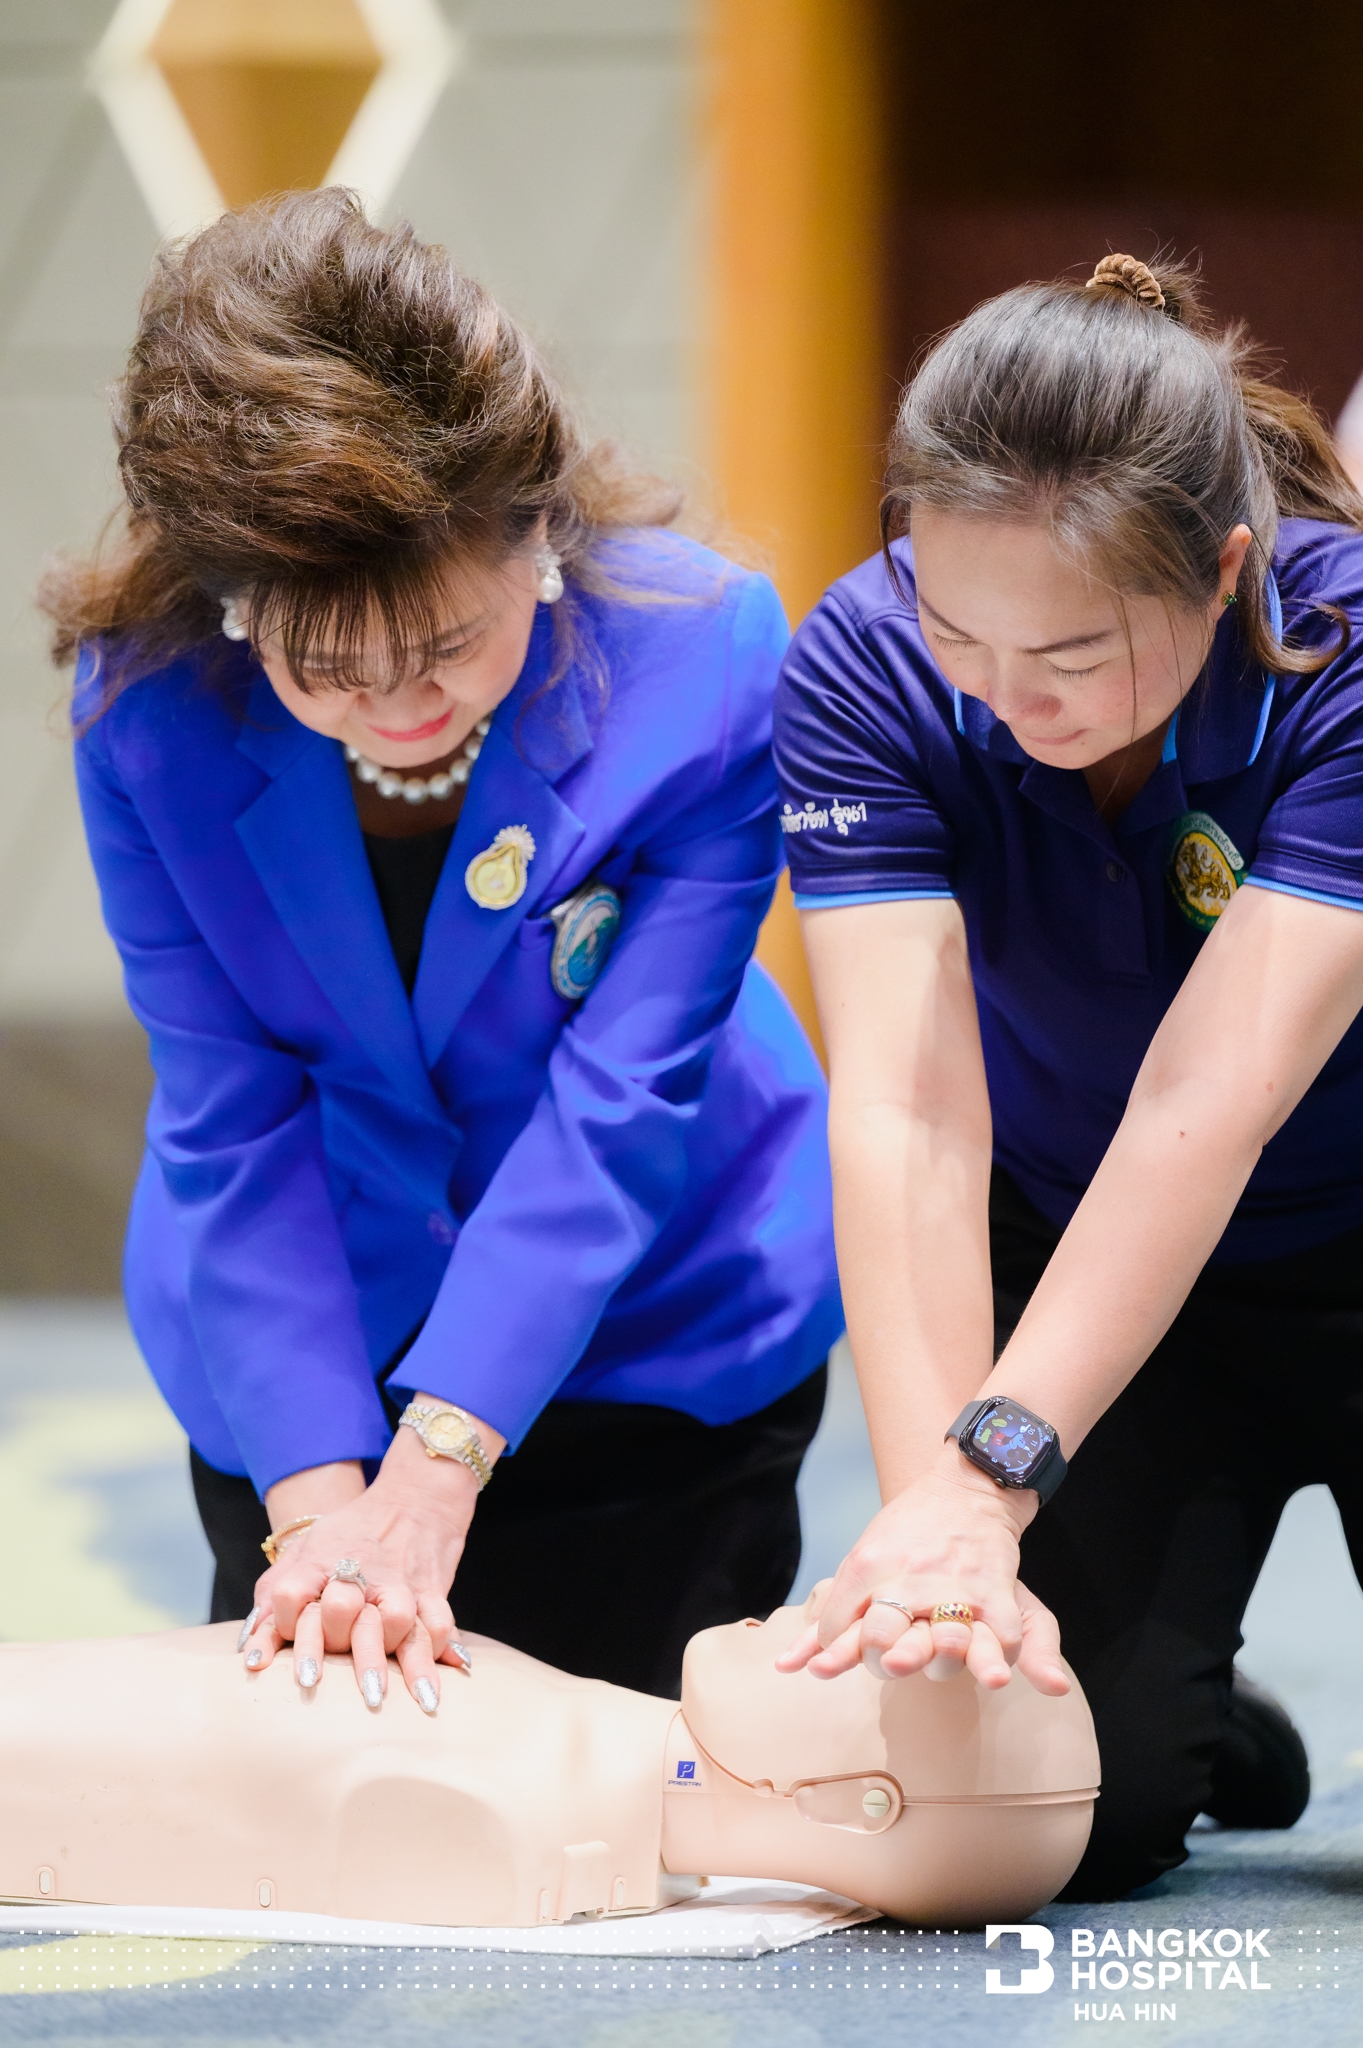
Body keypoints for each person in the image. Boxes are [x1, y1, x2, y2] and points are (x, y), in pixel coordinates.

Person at [48, 189, 842, 1710]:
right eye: (327, 669)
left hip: (654, 1313)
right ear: (233, 607)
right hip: (306, 1329)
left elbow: (619, 1106)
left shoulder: (705, 661)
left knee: (621, 1782)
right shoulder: (148, 712)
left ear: (535, 530)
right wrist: (321, 1516)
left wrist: (438, 1471)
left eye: (446, 646)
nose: (401, 707)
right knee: (326, 1757)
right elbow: (230, 1116)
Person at [771, 252, 1363, 1900]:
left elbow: (1203, 1101)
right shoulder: (863, 663)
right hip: (1088, 1261)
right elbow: (905, 1110)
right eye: (957, 628)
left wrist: (992, 1472)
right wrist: (943, 1538)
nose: (1005, 695)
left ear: (1222, 569)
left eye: (1073, 652)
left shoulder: (1341, 649)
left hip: (1325, 1217)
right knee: (1032, 1816)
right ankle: (1183, 1713)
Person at [0, 1587, 1098, 1928]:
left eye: (868, 1659)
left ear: (859, 1801)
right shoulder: (569, 1742)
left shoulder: (507, 1815)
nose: (826, 1601)